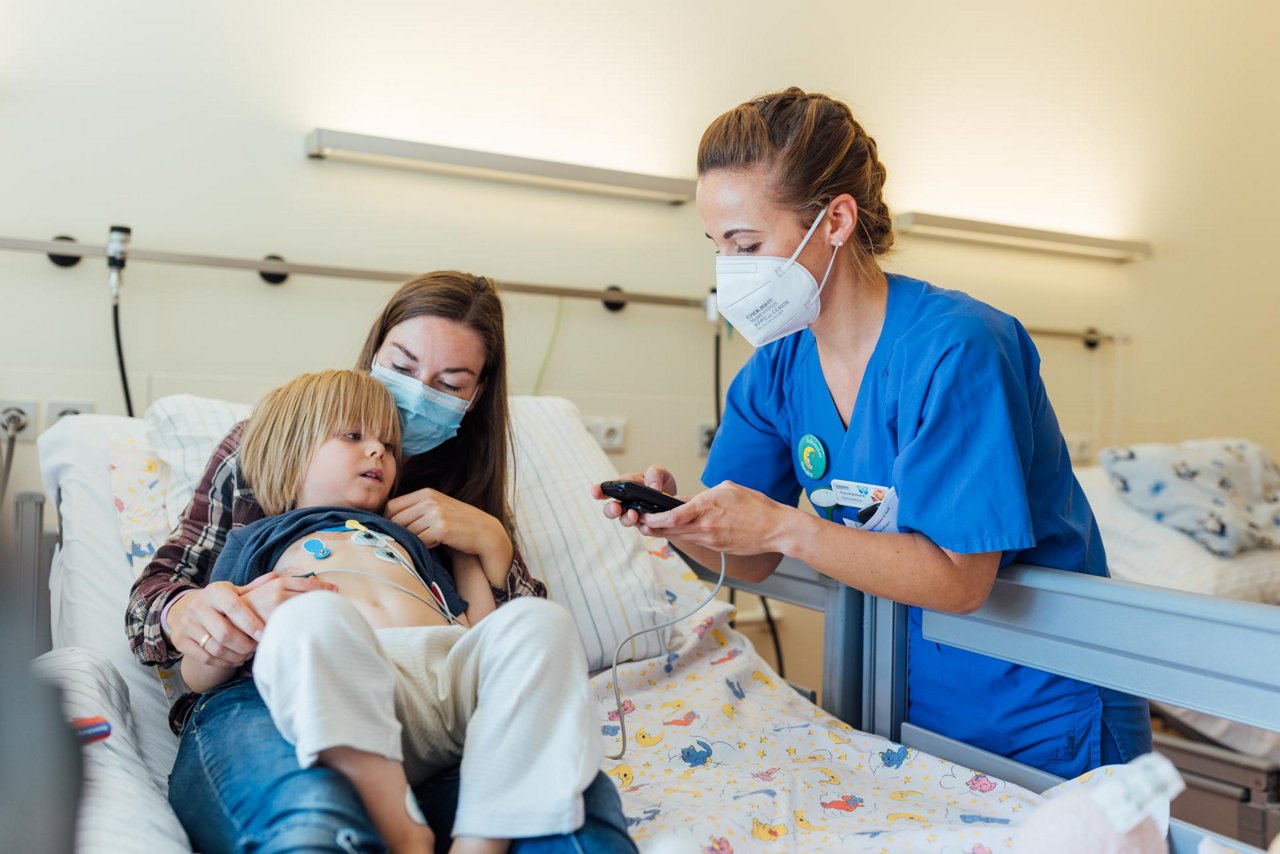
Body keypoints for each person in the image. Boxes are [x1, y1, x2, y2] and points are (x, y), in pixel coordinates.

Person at [593, 87, 1151, 778]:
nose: (730, 272)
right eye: (718, 248)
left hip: (1046, 706)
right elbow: (751, 562)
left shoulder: (959, 347)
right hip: (906, 698)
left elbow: (959, 579)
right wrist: (682, 524)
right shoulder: (776, 370)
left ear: (835, 220)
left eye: (747, 244)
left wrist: (784, 527)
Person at [128, 272, 635, 853]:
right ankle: (398, 825)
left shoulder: (454, 510)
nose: (379, 447)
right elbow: (167, 601)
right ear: (375, 350)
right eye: (403, 362)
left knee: (567, 807)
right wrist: (207, 618)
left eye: (450, 382)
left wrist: (491, 545)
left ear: (477, 394)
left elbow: (512, 655)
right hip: (284, 698)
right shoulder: (271, 446)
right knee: (315, 824)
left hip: (447, 696)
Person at [182, 369, 598, 854]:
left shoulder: (407, 537)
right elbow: (198, 673)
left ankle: (481, 840)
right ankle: (400, 827)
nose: (378, 451)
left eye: (389, 446)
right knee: (311, 618)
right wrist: (235, 625)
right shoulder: (258, 537)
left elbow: (485, 631)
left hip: (450, 685)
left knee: (540, 622)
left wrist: (469, 552)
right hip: (356, 690)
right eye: (353, 436)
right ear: (291, 453)